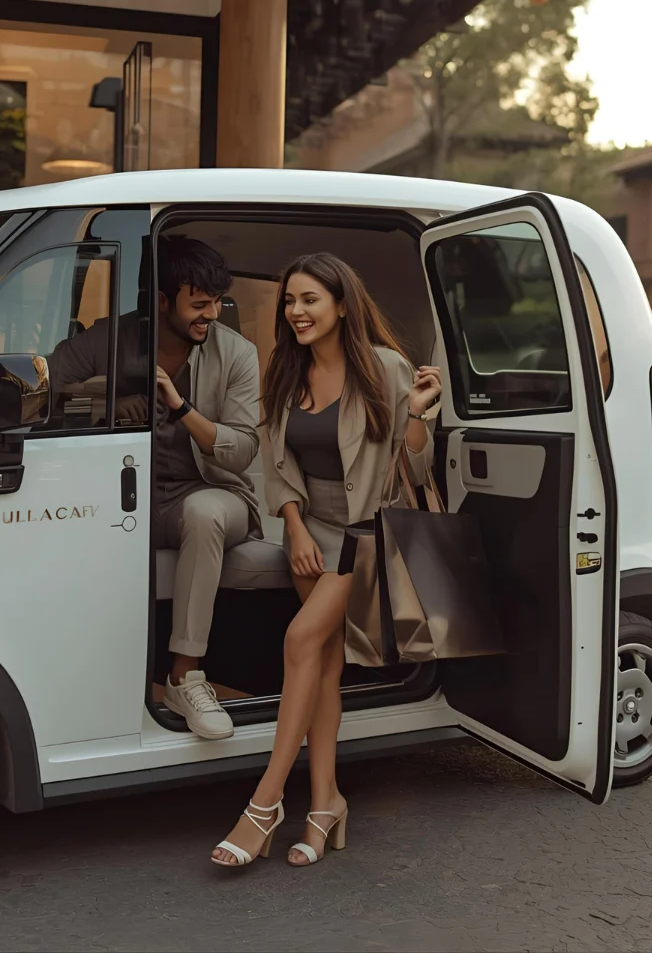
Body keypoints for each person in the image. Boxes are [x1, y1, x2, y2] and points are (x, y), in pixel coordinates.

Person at [211, 253, 442, 868]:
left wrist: (418, 411)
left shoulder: (387, 370)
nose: (295, 311)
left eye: (309, 299)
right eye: (290, 301)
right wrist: (292, 528)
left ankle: (264, 805)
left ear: (342, 304)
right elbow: (275, 465)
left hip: (366, 537)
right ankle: (325, 806)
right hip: (309, 535)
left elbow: (413, 467)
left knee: (299, 639)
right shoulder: (286, 372)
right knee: (324, 668)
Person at [48, 235, 261, 740]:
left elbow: (243, 448)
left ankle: (185, 676)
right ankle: (82, 673)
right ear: (162, 301)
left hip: (214, 493)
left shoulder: (238, 354)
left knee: (205, 512)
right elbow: (46, 381)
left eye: (216, 303)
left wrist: (182, 408)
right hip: (128, 495)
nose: (209, 314)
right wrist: (110, 400)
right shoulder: (112, 338)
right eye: (198, 304)